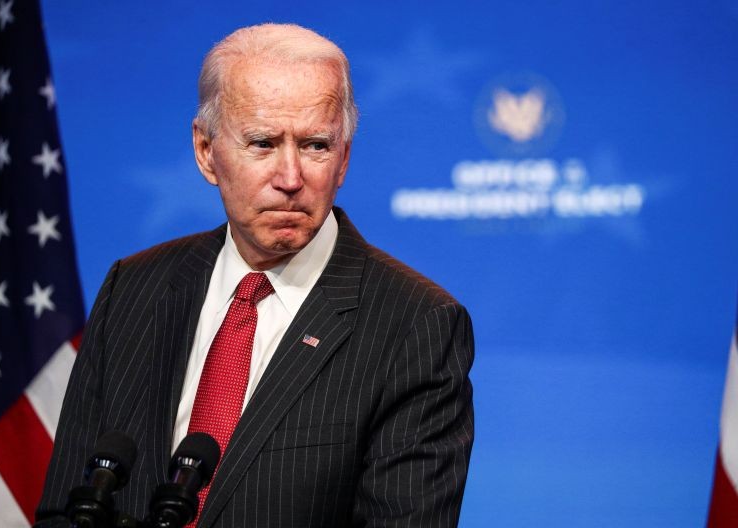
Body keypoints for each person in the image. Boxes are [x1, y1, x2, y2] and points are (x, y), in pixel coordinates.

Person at [36, 23, 474, 527]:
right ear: (206, 152)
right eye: (263, 143)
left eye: (315, 146)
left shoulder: (416, 325)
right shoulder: (134, 287)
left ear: (345, 158)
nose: (291, 178)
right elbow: (63, 511)